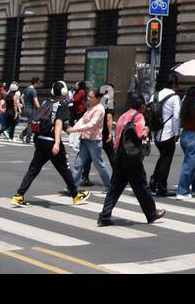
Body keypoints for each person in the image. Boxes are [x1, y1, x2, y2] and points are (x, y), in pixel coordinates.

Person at [12, 82, 89, 206]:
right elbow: (59, 123)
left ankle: (19, 195)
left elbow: (65, 127)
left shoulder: (46, 102)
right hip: (51, 142)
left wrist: (79, 129)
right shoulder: (63, 105)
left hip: (41, 140)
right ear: (64, 91)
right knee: (65, 169)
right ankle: (76, 195)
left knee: (33, 169)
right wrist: (57, 143)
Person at [98, 93, 164, 226]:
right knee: (142, 186)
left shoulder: (123, 116)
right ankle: (151, 213)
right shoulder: (138, 116)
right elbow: (140, 134)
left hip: (119, 156)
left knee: (115, 188)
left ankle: (104, 216)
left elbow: (117, 138)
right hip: (131, 157)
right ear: (142, 106)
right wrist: (147, 129)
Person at [69, 88, 112, 191]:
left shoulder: (100, 109)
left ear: (97, 98)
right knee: (78, 164)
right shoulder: (91, 107)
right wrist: (78, 131)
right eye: (88, 96)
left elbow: (92, 124)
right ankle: (71, 187)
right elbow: (83, 120)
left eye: (91, 97)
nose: (88, 98)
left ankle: (110, 186)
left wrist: (75, 130)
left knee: (99, 164)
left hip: (94, 141)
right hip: (85, 139)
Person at [149, 75, 181, 197]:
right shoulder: (174, 97)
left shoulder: (154, 95)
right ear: (174, 85)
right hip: (168, 133)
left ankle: (153, 181)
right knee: (166, 159)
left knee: (162, 157)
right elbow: (177, 117)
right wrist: (177, 133)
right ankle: (162, 187)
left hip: (156, 132)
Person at [174, 85, 195, 199]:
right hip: (194, 136)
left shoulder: (185, 106)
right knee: (189, 165)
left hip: (185, 135)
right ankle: (182, 191)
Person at [19, 78, 40, 144]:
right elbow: (36, 101)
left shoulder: (27, 89)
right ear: (35, 83)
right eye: (38, 83)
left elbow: (21, 97)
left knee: (30, 124)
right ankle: (27, 139)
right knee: (31, 125)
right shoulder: (33, 91)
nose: (38, 85)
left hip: (27, 109)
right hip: (32, 109)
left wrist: (24, 105)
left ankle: (22, 135)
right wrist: (40, 109)